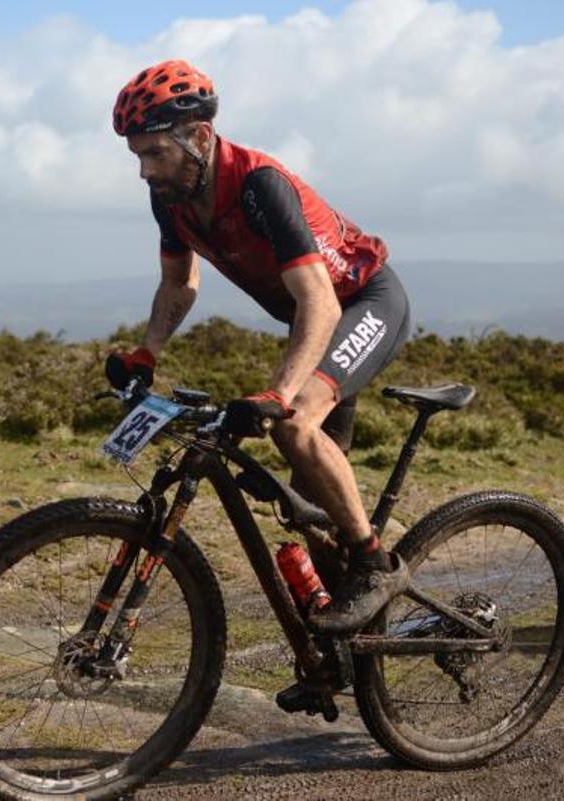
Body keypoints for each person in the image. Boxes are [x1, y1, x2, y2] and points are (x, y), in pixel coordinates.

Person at [105, 59, 412, 634]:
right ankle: (342, 646)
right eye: (137, 156)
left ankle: (376, 565)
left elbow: (320, 301)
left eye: (154, 154)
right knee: (311, 518)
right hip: (315, 322)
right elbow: (178, 284)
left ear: (198, 137)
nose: (144, 171)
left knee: (294, 424)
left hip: (362, 305)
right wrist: (146, 353)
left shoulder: (258, 185)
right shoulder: (171, 195)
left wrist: (280, 392)